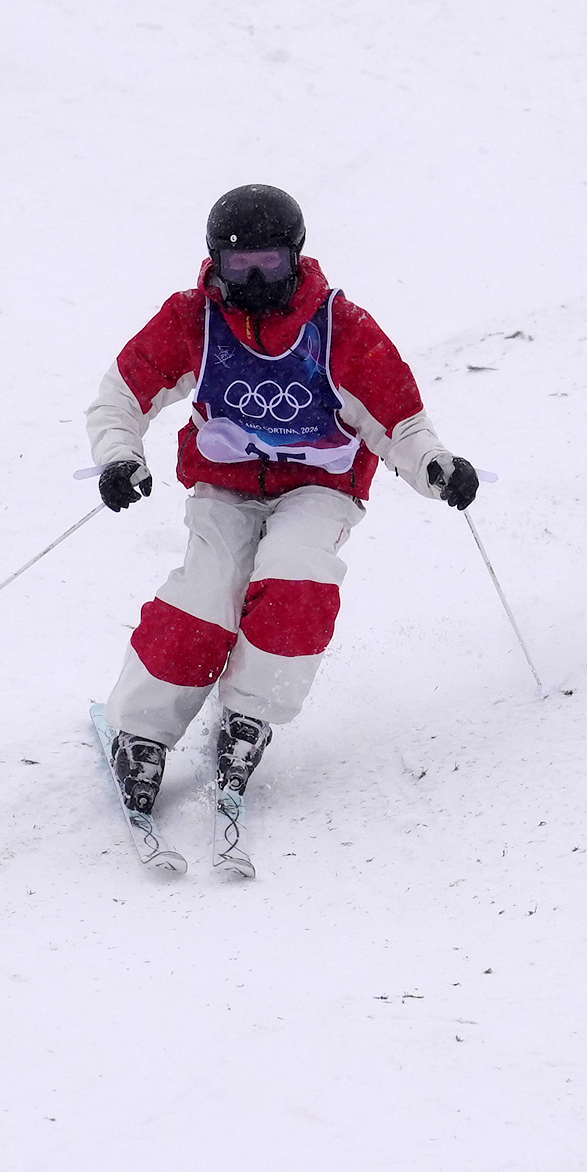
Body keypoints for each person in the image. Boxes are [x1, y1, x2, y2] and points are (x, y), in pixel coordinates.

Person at [87, 184, 479, 817]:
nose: (253, 280)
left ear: (295, 257)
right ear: (213, 260)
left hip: (320, 488)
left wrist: (437, 467)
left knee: (297, 582)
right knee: (204, 599)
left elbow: (400, 423)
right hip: (225, 487)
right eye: (237, 265)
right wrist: (119, 459)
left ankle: (248, 718)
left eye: (269, 264)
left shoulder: (340, 328)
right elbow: (120, 398)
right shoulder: (194, 319)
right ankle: (142, 732)